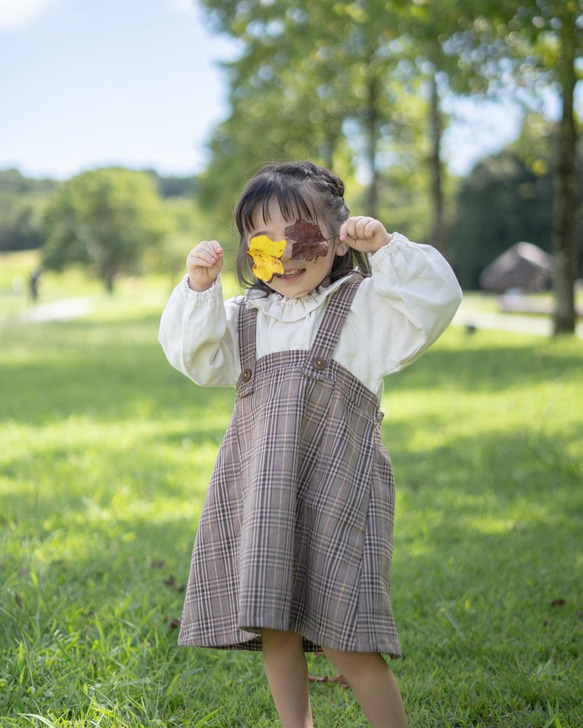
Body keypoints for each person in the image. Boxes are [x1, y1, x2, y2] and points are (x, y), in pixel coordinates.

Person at [158, 161, 462, 728]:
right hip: (263, 495)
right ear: (248, 251)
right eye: (264, 242)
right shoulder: (245, 318)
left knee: (348, 633)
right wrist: (199, 289)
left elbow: (435, 301)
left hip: (339, 495)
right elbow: (194, 356)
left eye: (302, 234)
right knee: (278, 625)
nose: (286, 254)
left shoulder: (364, 309)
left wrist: (387, 248)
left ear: (339, 237)